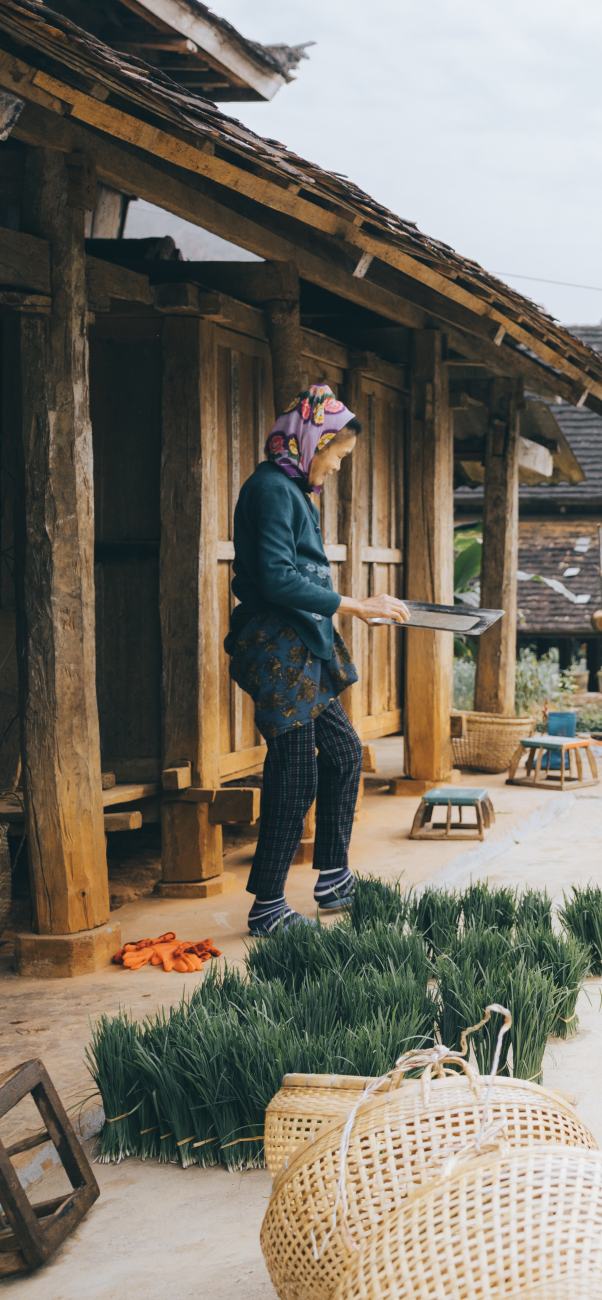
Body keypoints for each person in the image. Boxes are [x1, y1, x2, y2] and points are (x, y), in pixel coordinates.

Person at [226, 383, 410, 935]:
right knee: (294, 771)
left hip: (302, 641)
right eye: (336, 454)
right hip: (278, 646)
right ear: (314, 441)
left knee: (344, 751)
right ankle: (267, 908)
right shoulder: (272, 491)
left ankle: (332, 877)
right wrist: (355, 605)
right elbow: (279, 578)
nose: (335, 466)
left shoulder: (288, 489)